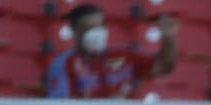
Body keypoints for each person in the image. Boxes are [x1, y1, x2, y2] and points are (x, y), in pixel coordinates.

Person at [46, 6, 177, 98]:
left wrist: (169, 38)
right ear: (74, 32)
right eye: (88, 28)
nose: (96, 33)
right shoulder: (63, 64)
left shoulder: (123, 55)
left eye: (100, 26)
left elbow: (163, 67)